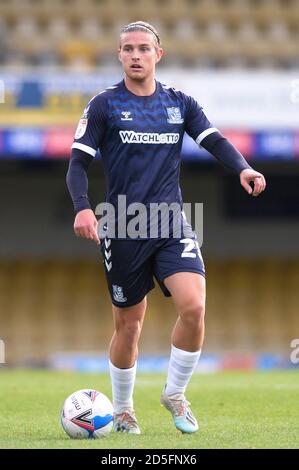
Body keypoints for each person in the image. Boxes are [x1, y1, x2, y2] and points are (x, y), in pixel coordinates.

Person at [66, 21, 266, 435]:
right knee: (129, 324)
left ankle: (174, 393)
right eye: (127, 49)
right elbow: (78, 163)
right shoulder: (103, 105)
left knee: (194, 306)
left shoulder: (180, 103)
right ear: (119, 55)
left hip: (170, 221)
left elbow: (213, 140)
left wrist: (243, 168)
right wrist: (83, 209)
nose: (135, 55)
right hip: (122, 224)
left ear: (159, 54)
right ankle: (122, 408)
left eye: (143, 48)